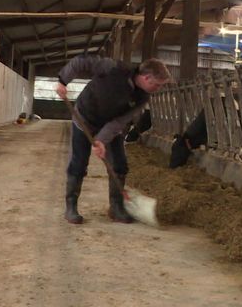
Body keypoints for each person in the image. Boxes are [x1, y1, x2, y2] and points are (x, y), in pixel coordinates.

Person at [56, 55, 171, 224]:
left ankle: (116, 208)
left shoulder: (142, 97)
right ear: (147, 77)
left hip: (109, 126)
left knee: (119, 165)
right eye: (157, 85)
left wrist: (102, 140)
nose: (158, 89)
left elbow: (120, 121)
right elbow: (81, 62)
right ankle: (71, 207)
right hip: (84, 118)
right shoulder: (113, 68)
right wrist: (62, 81)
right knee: (78, 163)